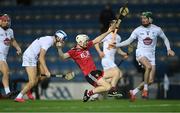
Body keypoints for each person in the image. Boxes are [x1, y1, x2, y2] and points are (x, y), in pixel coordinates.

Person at [112, 11, 175, 101]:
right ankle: (145, 90)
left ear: (150, 19)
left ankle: (133, 92)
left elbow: (165, 39)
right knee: (148, 67)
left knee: (151, 80)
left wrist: (169, 49)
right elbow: (128, 41)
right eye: (142, 18)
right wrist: (116, 45)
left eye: (145, 18)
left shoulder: (157, 29)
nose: (143, 20)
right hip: (140, 53)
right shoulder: (138, 30)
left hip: (151, 56)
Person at [56, 22, 118, 102]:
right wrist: (59, 49)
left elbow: (97, 40)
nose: (87, 42)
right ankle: (89, 93)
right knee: (107, 87)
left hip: (96, 71)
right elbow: (63, 57)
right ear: (80, 42)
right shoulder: (73, 51)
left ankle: (102, 92)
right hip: (90, 74)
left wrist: (109, 31)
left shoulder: (85, 46)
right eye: (85, 41)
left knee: (115, 73)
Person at [15, 30, 67, 102]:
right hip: (30, 57)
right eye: (63, 39)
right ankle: (18, 97)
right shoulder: (48, 41)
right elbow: (41, 57)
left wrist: (59, 48)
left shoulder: (50, 40)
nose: (63, 42)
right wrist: (46, 71)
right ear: (58, 38)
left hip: (33, 57)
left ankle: (28, 91)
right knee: (32, 81)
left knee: (39, 78)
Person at [93, 20, 128, 99]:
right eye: (114, 24)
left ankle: (95, 92)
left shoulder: (118, 37)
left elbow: (118, 49)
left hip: (111, 61)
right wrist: (99, 52)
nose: (116, 25)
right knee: (118, 72)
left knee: (114, 77)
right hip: (106, 59)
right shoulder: (106, 35)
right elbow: (96, 43)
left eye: (116, 24)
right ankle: (112, 90)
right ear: (110, 26)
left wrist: (124, 54)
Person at [0, 14, 22, 96]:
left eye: (8, 21)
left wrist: (18, 48)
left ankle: (7, 92)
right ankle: (7, 92)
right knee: (6, 71)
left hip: (4, 56)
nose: (6, 22)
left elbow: (12, 40)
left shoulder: (10, 31)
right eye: (4, 21)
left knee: (6, 73)